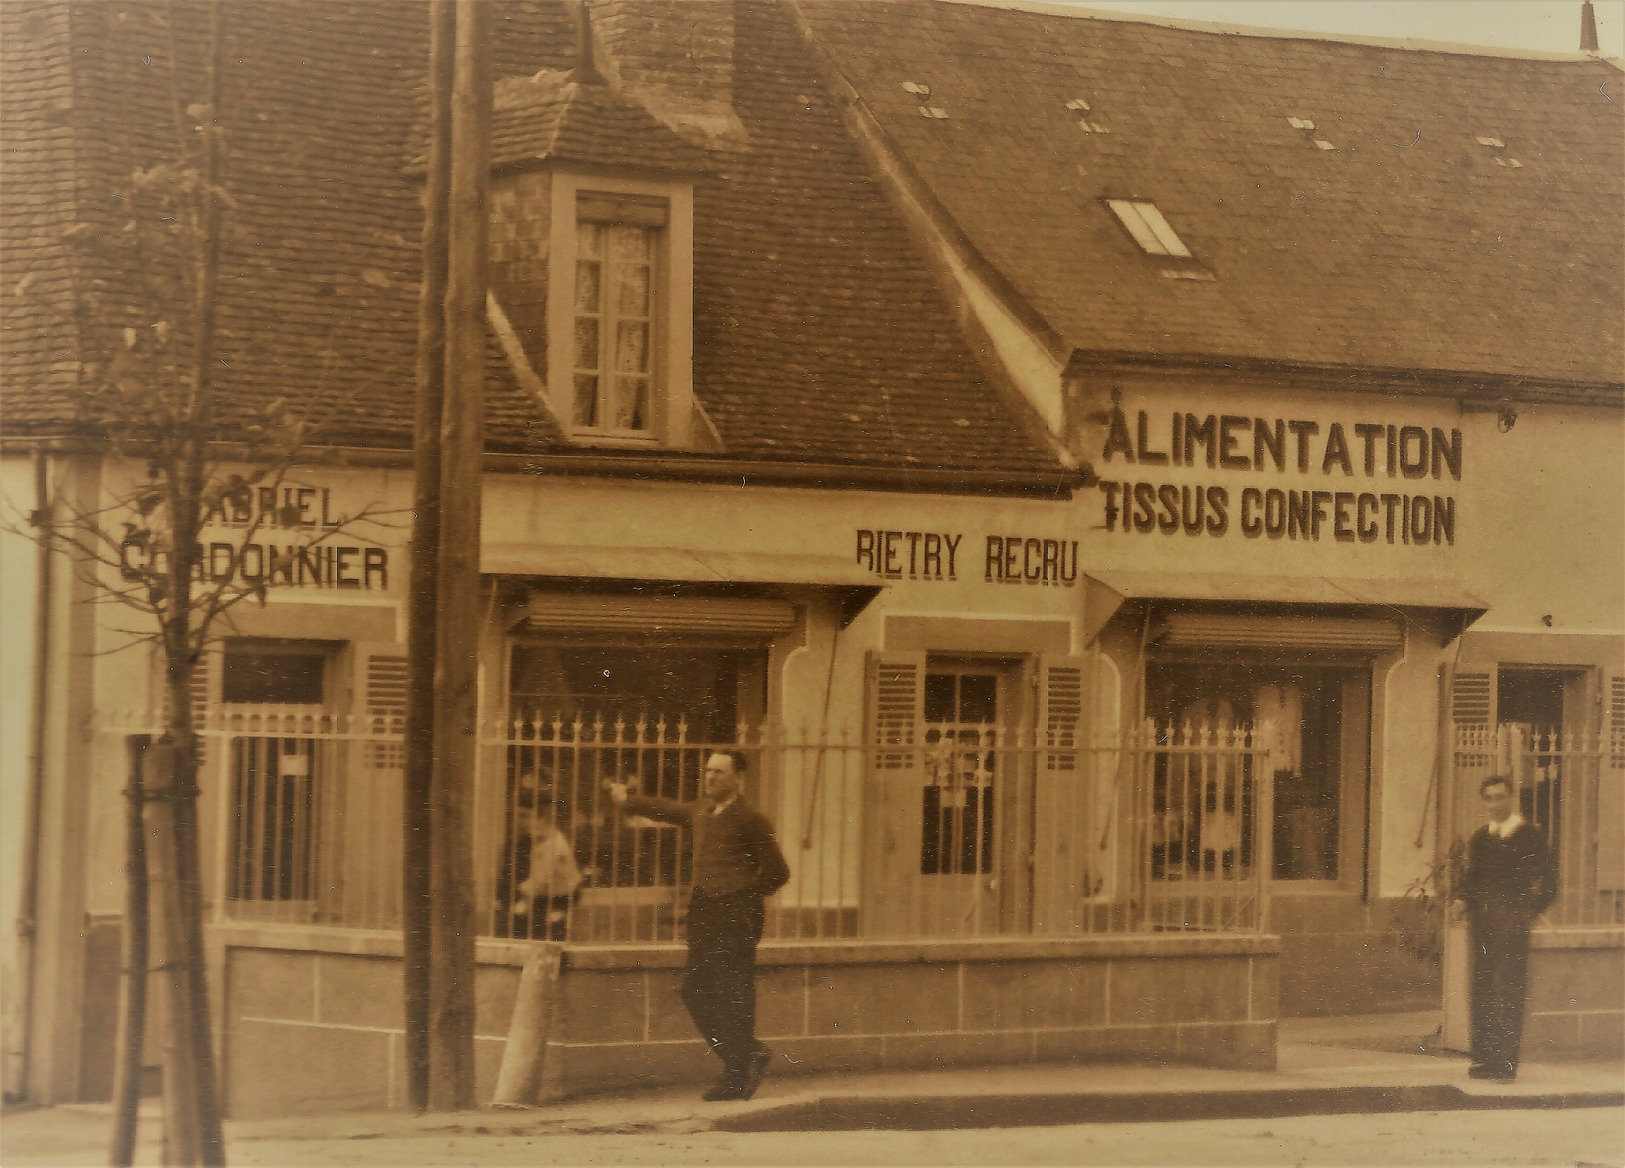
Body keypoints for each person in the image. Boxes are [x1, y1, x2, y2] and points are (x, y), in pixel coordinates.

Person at [607, 750, 790, 1102]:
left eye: (720, 772)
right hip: (704, 911)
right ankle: (746, 1054)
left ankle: (737, 1075)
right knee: (695, 990)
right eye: (708, 771)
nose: (710, 778)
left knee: (733, 993)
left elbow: (778, 872)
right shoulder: (701, 811)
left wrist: (743, 896)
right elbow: (665, 808)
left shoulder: (752, 820)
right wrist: (630, 801)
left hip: (737, 914)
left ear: (739, 779)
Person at [1449, 774, 1557, 1081]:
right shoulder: (1481, 837)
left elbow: (1550, 881)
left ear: (1510, 799)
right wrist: (1461, 901)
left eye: (1500, 797)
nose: (1495, 804)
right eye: (1489, 798)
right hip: (1483, 924)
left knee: (1509, 989)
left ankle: (1506, 1060)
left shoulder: (1528, 835)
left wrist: (1529, 911)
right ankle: (1483, 1057)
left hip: (1512, 924)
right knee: (1482, 987)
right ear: (1483, 802)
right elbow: (1472, 879)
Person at [496, 795, 584, 941]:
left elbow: (568, 882)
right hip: (526, 905)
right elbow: (506, 879)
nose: (521, 822)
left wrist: (525, 895)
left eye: (526, 816)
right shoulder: (520, 845)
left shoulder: (555, 844)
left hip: (549, 903)